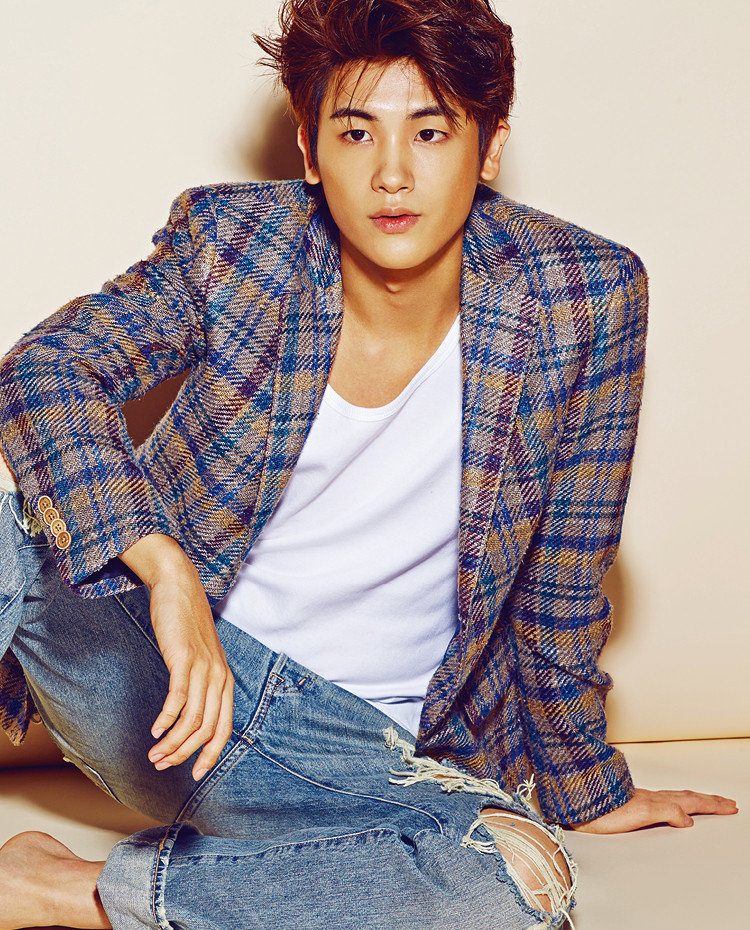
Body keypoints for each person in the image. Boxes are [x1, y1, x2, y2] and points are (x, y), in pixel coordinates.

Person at [0, 1, 738, 928]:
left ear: (489, 146)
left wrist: (585, 788)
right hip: (174, 686)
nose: (392, 174)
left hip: (369, 756)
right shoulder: (237, 248)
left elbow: (565, 574)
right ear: (310, 151)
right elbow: (46, 370)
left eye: (430, 132)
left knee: (516, 881)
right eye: (356, 133)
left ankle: (63, 889)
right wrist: (165, 567)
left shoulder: (581, 297)